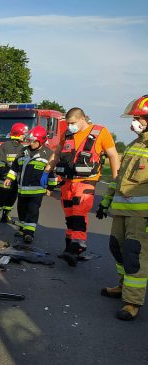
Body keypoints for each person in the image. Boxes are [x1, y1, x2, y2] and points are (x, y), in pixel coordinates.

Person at [46, 107, 120, 266]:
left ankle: (77, 247)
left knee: (79, 213)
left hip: (86, 181)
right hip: (67, 182)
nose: (70, 126)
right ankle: (68, 248)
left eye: (72, 123)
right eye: (68, 123)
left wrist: (115, 179)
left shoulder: (100, 132)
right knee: (70, 216)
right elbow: (57, 153)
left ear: (82, 119)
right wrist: (46, 171)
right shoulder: (67, 134)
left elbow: (113, 155)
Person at [99, 95, 148, 321]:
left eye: (139, 117)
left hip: (141, 215)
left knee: (134, 254)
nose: (135, 122)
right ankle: (122, 286)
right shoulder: (135, 144)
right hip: (121, 209)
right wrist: (106, 200)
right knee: (116, 247)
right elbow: (119, 179)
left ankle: (132, 301)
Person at [4, 126, 57, 243]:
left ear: (41, 141)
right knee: (21, 211)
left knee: (32, 212)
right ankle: (23, 229)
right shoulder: (23, 151)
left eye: (34, 141)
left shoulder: (48, 154)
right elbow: (15, 167)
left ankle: (29, 234)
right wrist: (9, 177)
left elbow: (52, 173)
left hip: (37, 191)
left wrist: (50, 187)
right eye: (30, 140)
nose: (31, 143)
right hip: (22, 190)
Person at [0, 122, 28, 223]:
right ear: (17, 134)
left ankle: (5, 215)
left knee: (12, 199)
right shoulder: (5, 146)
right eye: (23, 134)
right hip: (3, 179)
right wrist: (6, 176)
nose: (24, 136)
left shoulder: (24, 148)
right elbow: (0, 163)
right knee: (1, 198)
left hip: (16, 180)